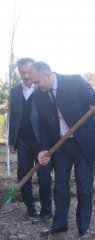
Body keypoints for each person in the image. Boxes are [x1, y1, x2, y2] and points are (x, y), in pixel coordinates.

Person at [29, 62, 95, 238]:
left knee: (83, 187)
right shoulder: (39, 95)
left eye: (37, 81)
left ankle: (83, 227)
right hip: (60, 146)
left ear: (48, 76)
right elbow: (42, 125)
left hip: (83, 144)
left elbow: (94, 98)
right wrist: (43, 149)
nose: (35, 85)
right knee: (60, 187)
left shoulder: (74, 81)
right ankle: (59, 225)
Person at [8, 58, 52, 224]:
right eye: (22, 72)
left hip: (42, 141)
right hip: (23, 141)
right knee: (23, 175)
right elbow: (13, 117)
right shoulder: (14, 91)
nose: (25, 76)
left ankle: (47, 210)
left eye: (28, 72)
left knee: (44, 176)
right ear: (18, 72)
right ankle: (31, 206)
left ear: (34, 71)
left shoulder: (42, 88)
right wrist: (12, 140)